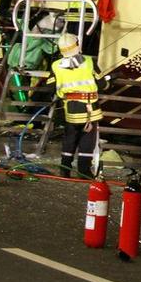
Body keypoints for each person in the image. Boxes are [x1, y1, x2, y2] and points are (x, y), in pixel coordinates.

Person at [49, 33, 111, 178]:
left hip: (70, 107)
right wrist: (110, 82)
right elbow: (102, 84)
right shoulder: (89, 62)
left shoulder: (56, 66)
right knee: (87, 139)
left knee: (69, 138)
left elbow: (51, 86)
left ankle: (65, 169)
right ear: (77, 45)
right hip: (90, 108)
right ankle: (84, 171)